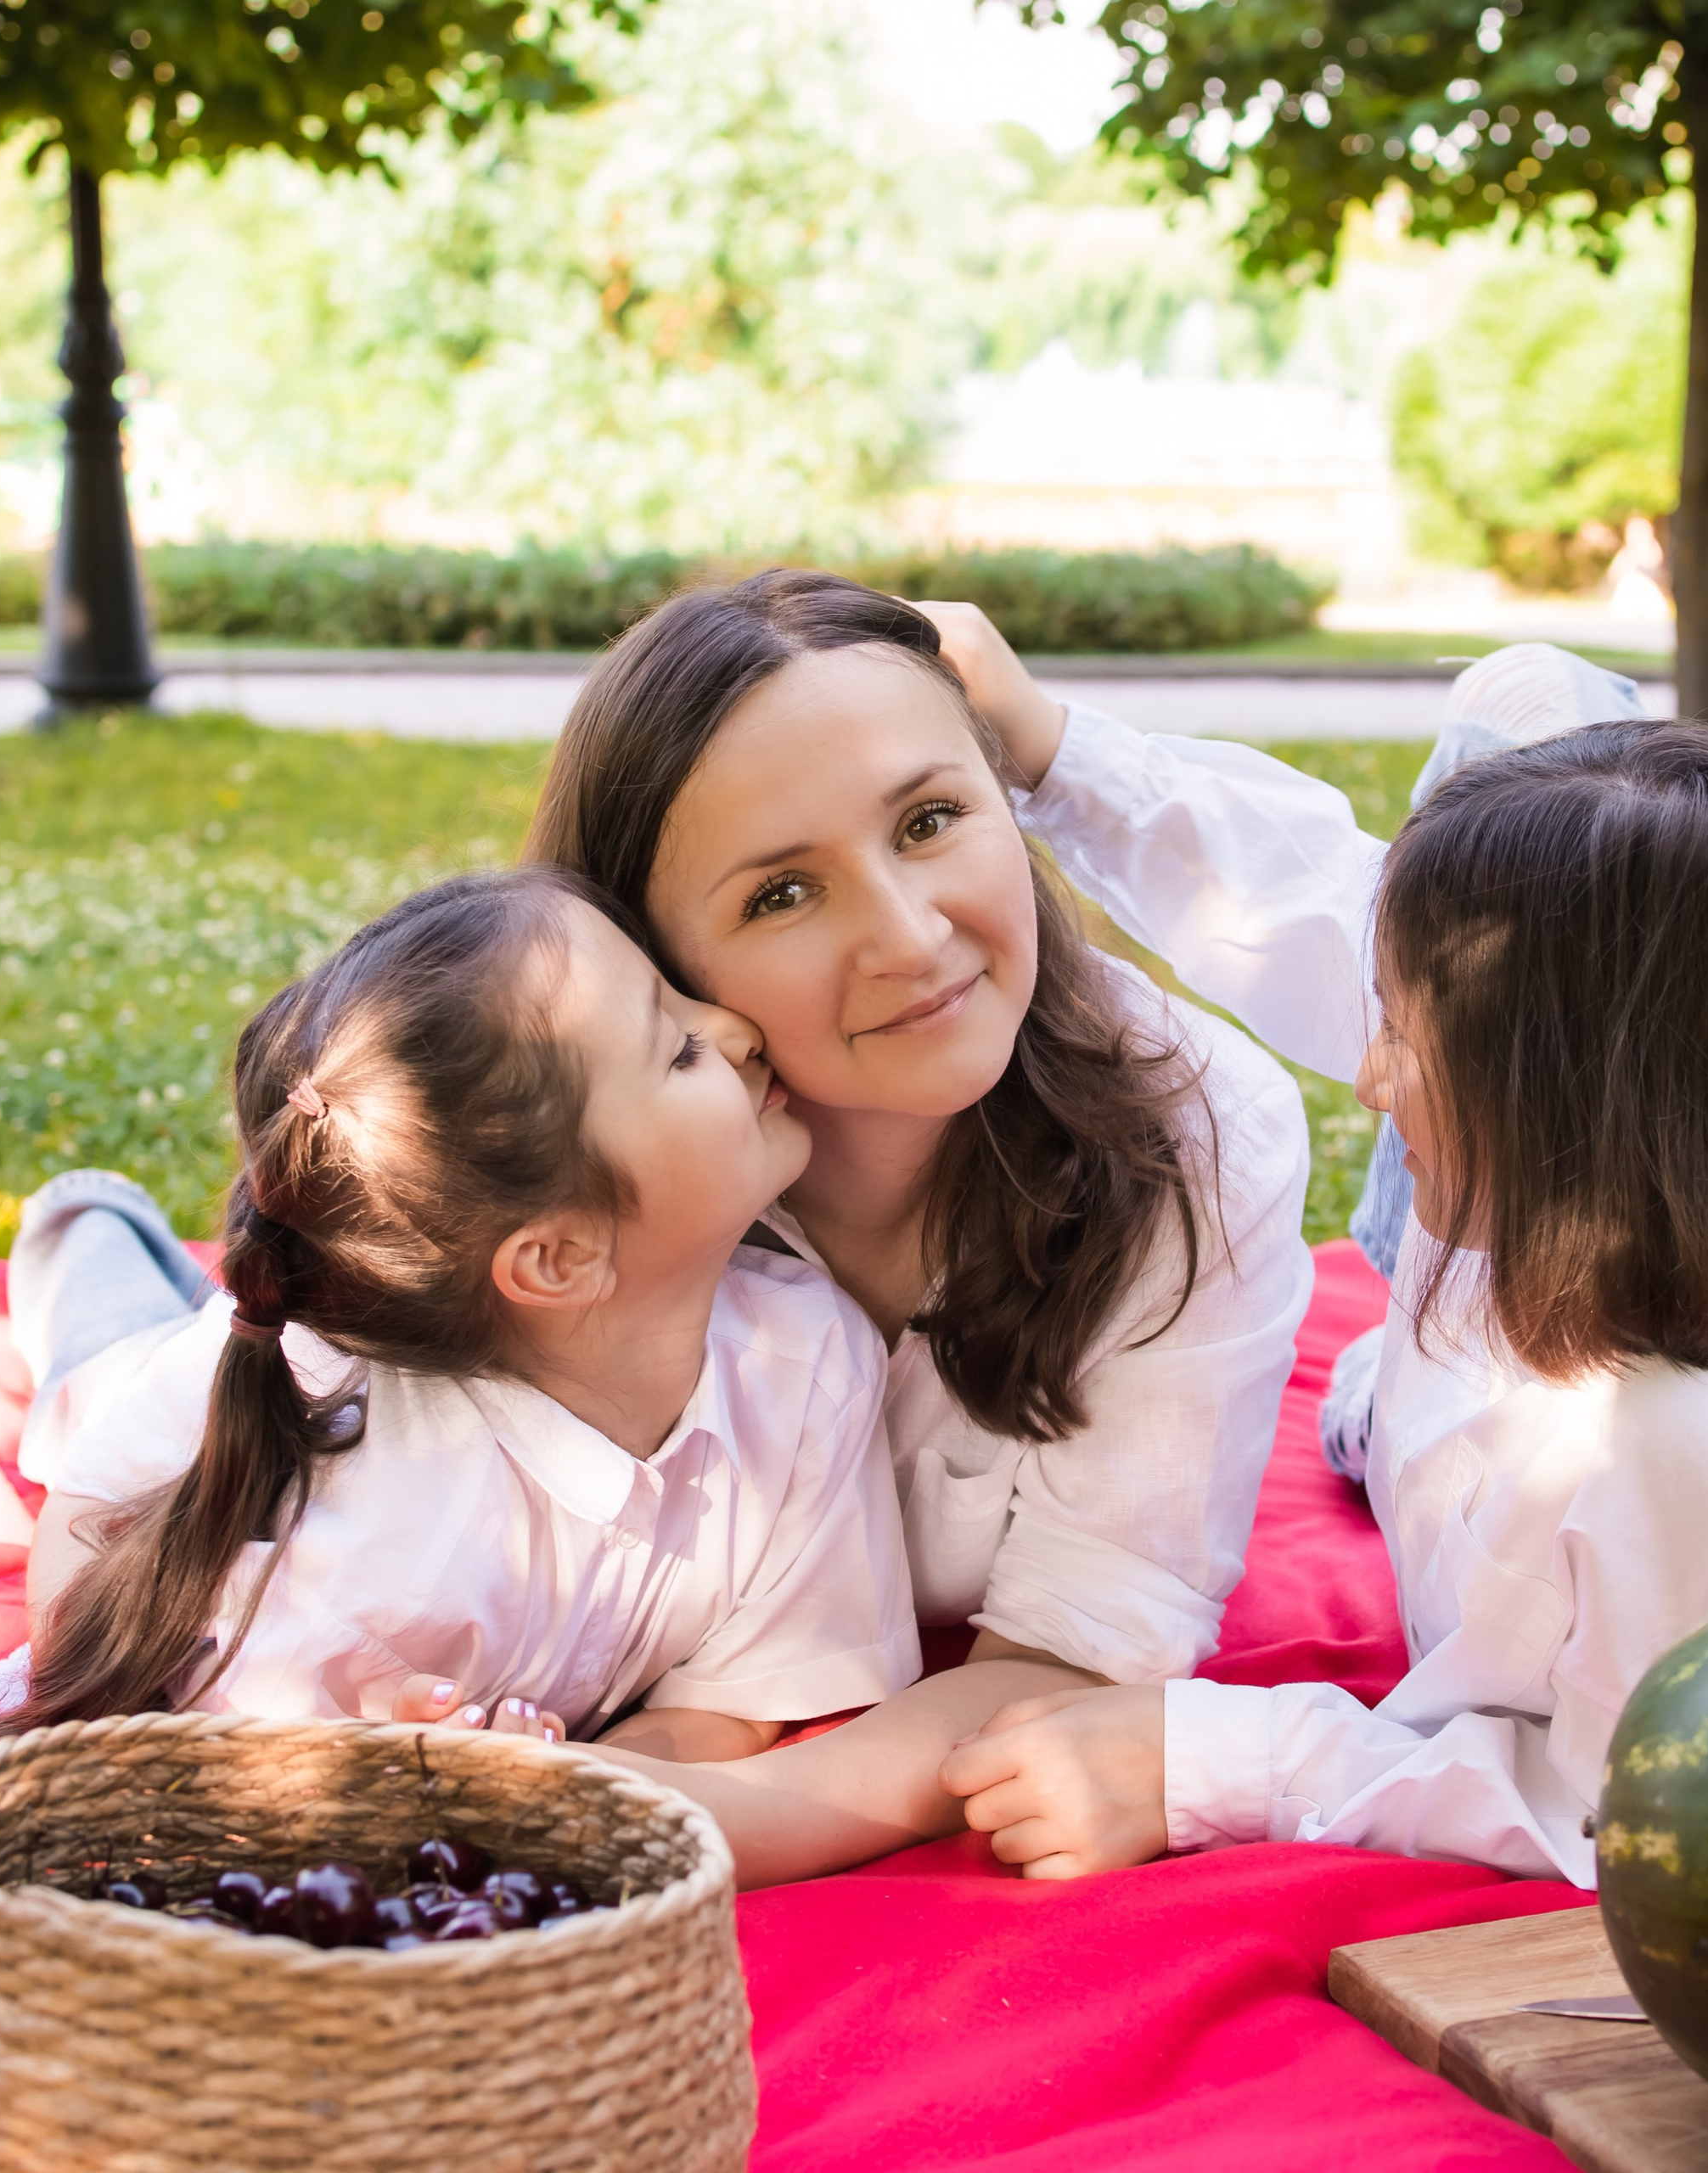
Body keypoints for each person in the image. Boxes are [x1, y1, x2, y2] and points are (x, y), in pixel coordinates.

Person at [921, 665, 1708, 1887]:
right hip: (1472, 1445)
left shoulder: (1695, 1479)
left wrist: (1215, 1761)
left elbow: (1607, 1813)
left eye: (1404, 1040)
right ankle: (1374, 1399)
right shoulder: (1597, 1192)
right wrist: (1055, 746)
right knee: (1524, 691)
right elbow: (1308, 897)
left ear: (1577, 1103)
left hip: (1579, 1548)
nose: (1365, 1079)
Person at [501, 570, 1367, 1878]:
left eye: (929, 820)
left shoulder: (1193, 1124)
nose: (909, 938)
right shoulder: (576, 1174)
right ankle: (79, 1251)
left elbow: (1072, 1659)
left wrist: (702, 1820)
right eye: (780, 896)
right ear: (658, 969)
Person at [0, 867, 919, 1787]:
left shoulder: (809, 1368)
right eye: (679, 1048)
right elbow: (89, 1530)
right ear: (557, 1256)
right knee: (88, 1368)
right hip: (161, 1382)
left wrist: (548, 1785)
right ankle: (80, 1218)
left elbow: (724, 1710)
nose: (733, 1028)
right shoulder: (336, 1422)